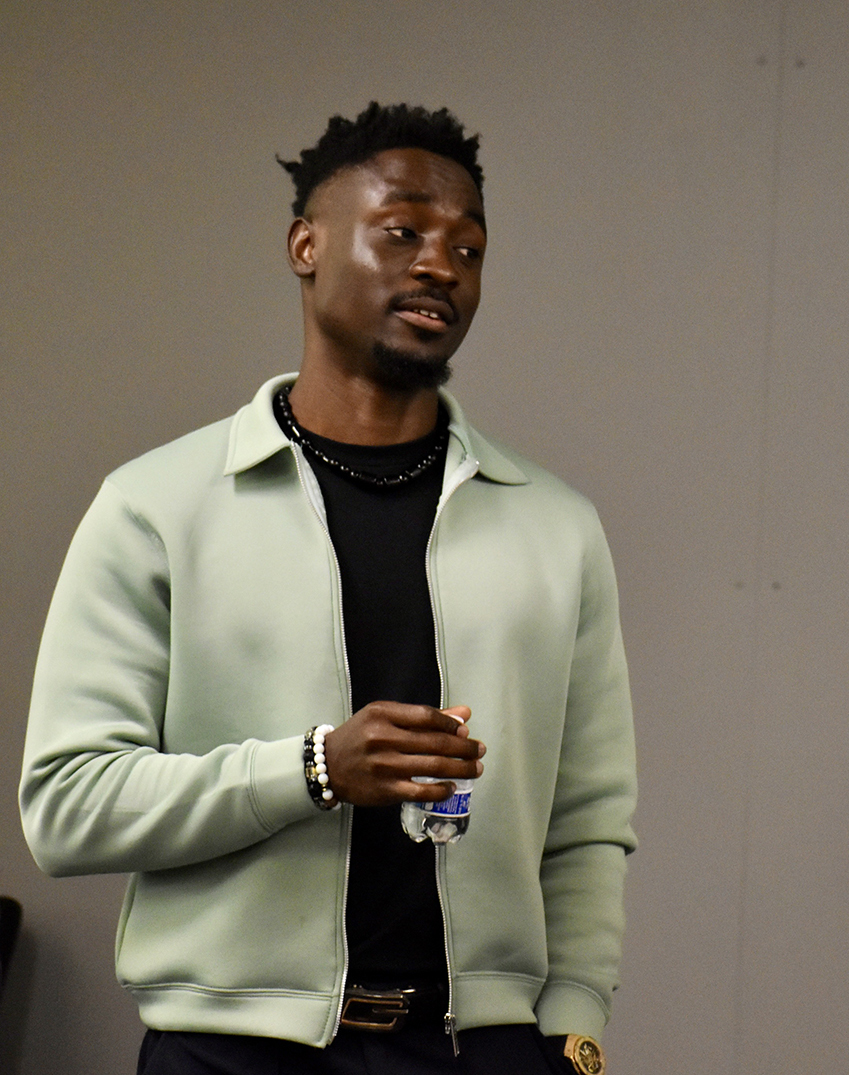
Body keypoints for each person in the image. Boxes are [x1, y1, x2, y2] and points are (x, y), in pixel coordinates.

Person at [20, 102, 636, 1075]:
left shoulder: (556, 528)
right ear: (305, 243)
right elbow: (68, 804)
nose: (441, 264)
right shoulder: (156, 507)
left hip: (483, 1051)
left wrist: (572, 1025)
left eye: (468, 248)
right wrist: (311, 769)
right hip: (230, 1053)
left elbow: (590, 819)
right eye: (402, 232)